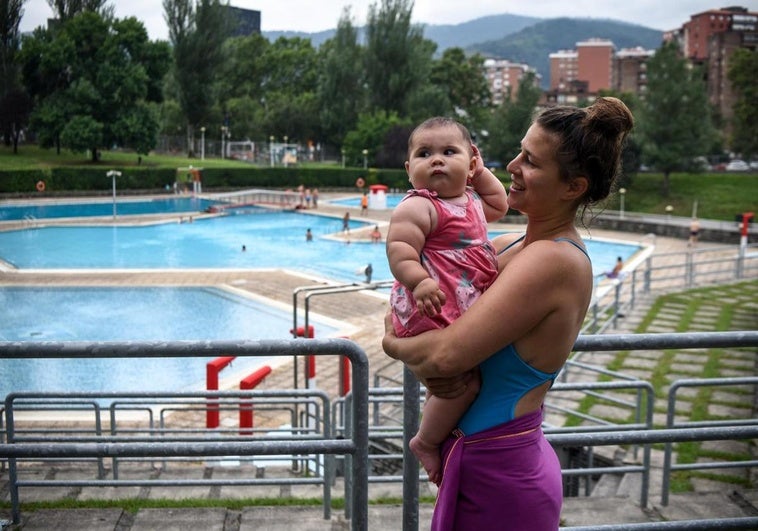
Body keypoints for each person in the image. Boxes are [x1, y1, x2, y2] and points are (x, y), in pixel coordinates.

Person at [383, 97, 634, 530]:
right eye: (519, 151)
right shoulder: (504, 247)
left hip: (502, 469)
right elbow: (410, 313)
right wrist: (411, 347)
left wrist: (392, 345)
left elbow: (444, 357)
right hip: (480, 458)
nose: (512, 165)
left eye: (531, 161)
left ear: (573, 187)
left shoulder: (555, 262)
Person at [386, 116, 509, 485]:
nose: (436, 160)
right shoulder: (419, 206)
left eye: (448, 152)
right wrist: (420, 281)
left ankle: (440, 425)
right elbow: (400, 250)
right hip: (434, 306)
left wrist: (481, 172)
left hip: (461, 300)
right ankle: (425, 441)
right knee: (462, 384)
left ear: (471, 163)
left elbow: (499, 204)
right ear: (410, 170)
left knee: (456, 381)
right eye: (425, 154)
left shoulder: (471, 200)